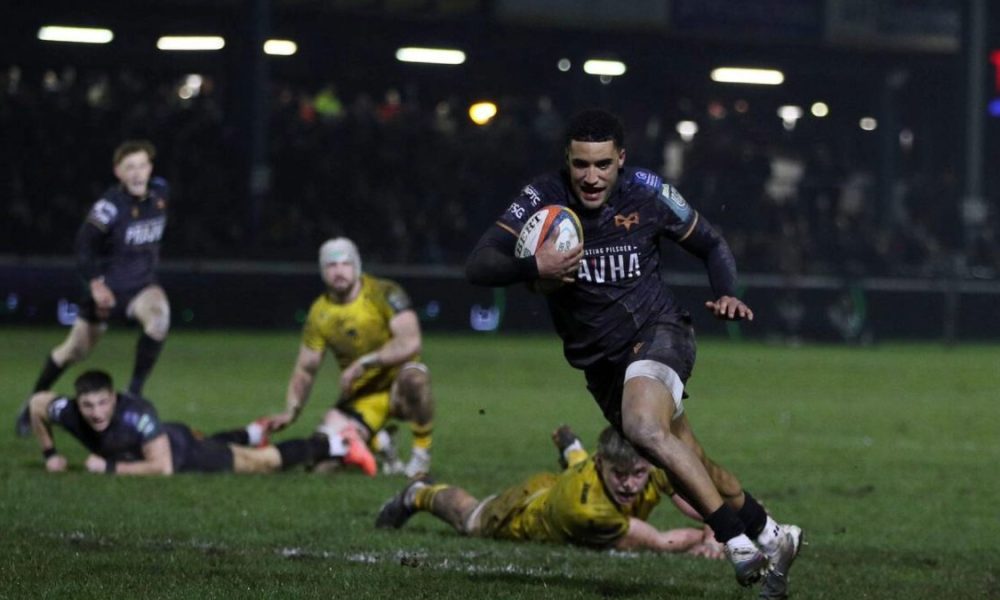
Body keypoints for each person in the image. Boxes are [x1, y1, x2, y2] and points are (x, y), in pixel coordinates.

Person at [465, 109, 801, 597]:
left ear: (620, 159)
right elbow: (478, 264)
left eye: (603, 164)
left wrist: (727, 290)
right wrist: (536, 263)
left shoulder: (647, 192)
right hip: (603, 366)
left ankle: (736, 540)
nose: (591, 176)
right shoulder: (544, 198)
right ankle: (773, 535)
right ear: (567, 160)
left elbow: (711, 243)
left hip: (659, 331)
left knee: (645, 429)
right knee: (690, 465)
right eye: (581, 164)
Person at [376, 425, 724, 560]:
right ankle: (418, 492)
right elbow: (658, 541)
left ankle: (574, 452)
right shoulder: (586, 510)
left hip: (569, 480)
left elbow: (705, 501)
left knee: (582, 473)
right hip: (526, 512)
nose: (631, 484)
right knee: (471, 517)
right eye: (620, 474)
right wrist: (707, 539)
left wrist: (718, 533)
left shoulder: (652, 462)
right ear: (603, 463)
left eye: (638, 474)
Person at [16, 140, 171, 436]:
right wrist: (96, 284)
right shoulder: (109, 207)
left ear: (150, 168)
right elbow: (83, 248)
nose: (138, 173)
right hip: (107, 291)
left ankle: (134, 393)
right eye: (130, 168)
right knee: (73, 351)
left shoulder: (161, 193)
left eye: (142, 166)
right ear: (118, 172)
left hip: (141, 287)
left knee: (159, 318)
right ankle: (33, 403)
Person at [261, 237, 435, 478]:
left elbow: (410, 340)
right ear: (322, 272)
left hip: (397, 387)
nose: (338, 271)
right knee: (322, 465)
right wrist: (291, 411)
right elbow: (306, 368)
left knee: (416, 378)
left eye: (345, 263)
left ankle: (421, 455)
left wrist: (363, 364)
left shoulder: (384, 293)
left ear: (357, 265)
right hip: (362, 396)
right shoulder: (319, 313)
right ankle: (379, 442)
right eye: (331, 266)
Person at [28, 369, 376, 476]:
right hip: (175, 438)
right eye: (88, 405)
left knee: (261, 463)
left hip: (180, 453)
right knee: (218, 442)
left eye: (103, 403)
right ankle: (252, 431)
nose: (96, 412)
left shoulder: (138, 414)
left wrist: (108, 467)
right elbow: (36, 404)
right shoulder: (68, 411)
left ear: (114, 399)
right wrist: (49, 454)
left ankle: (338, 444)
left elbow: (162, 467)